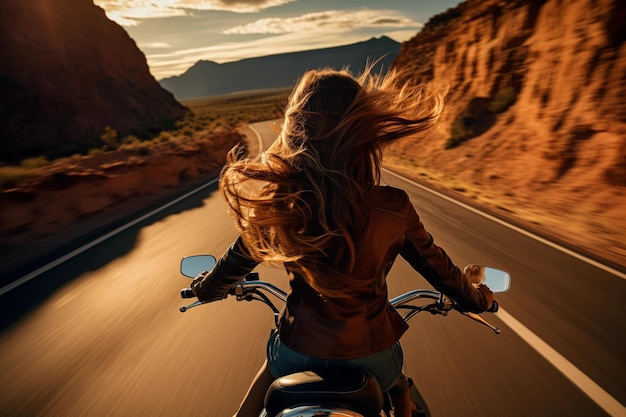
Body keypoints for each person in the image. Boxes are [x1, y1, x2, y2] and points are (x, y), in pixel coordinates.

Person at [191, 65, 494, 417]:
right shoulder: (393, 206)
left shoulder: (282, 201)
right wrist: (476, 300)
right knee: (398, 388)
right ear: (361, 129)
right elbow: (440, 270)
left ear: (297, 128)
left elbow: (236, 261)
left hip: (298, 349)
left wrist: (206, 289)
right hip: (372, 354)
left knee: (265, 379)